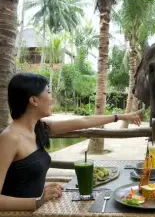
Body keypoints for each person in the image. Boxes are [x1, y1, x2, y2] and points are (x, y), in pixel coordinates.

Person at [0, 73, 143, 211]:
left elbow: (84, 121)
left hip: (41, 209)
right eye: (48, 92)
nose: (51, 98)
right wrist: (38, 202)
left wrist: (120, 116)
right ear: (34, 100)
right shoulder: (9, 138)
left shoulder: (39, 128)